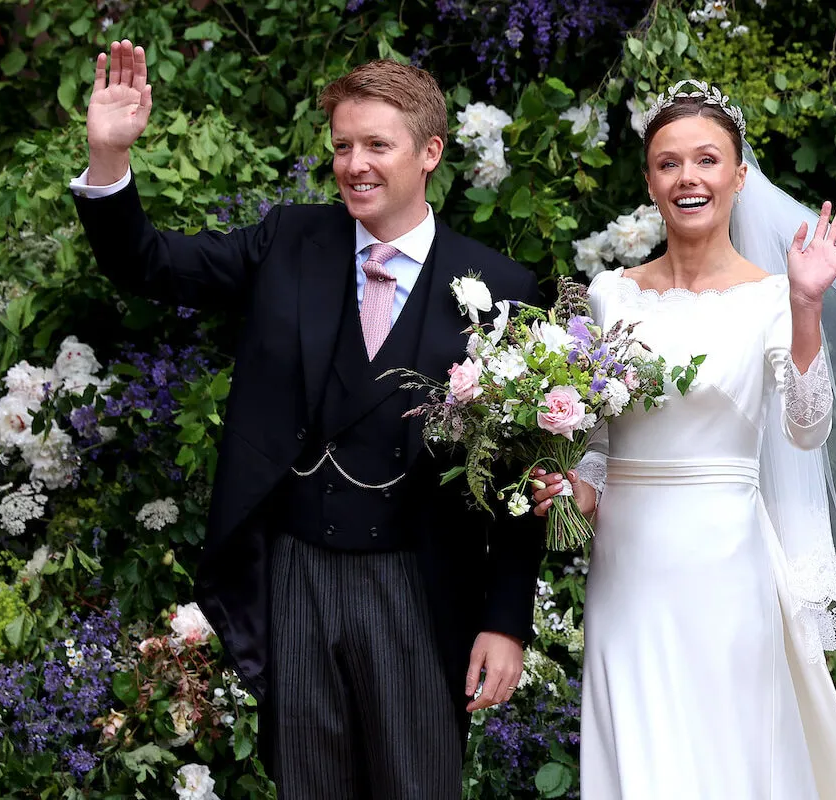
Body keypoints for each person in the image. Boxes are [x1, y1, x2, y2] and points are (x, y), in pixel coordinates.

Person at [70, 40, 544, 799]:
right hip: (295, 573)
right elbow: (148, 264)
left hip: (417, 584)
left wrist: (506, 620)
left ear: (430, 152)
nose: (354, 164)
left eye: (376, 145)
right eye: (343, 146)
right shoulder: (288, 241)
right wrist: (106, 158)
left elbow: (525, 480)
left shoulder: (502, 285)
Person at [531, 81, 836, 798]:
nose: (688, 177)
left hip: (726, 566)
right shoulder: (609, 295)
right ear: (651, 181)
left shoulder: (773, 295)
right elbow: (597, 443)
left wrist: (806, 305)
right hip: (628, 571)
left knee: (722, 758)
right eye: (668, 163)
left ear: (739, 176)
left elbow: (808, 430)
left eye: (707, 160)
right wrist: (573, 492)